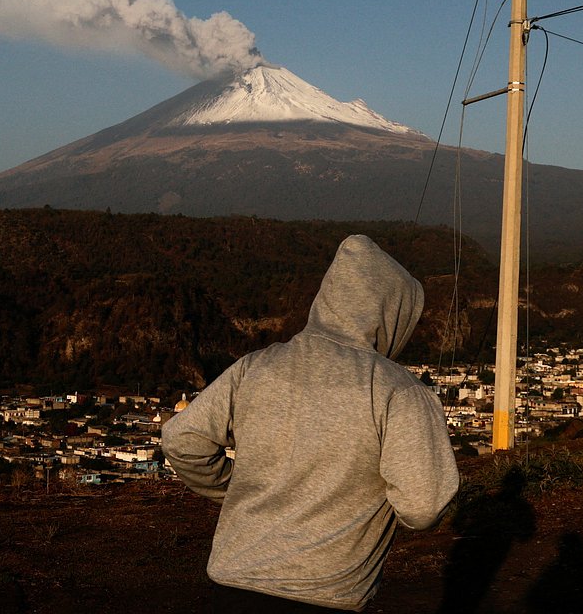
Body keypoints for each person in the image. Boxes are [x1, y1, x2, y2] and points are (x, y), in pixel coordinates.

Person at [161, 234, 459, 612]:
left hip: (232, 581)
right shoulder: (397, 390)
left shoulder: (256, 366)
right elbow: (422, 506)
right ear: (391, 314)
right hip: (326, 592)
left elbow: (181, 438)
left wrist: (234, 486)